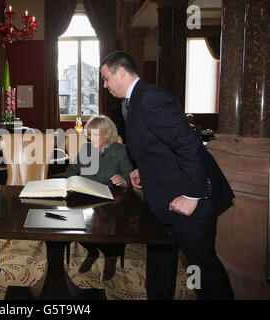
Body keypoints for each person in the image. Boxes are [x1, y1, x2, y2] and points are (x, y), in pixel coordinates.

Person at [100, 51, 234, 299]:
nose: (105, 85)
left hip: (191, 197)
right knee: (160, 259)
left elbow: (189, 145)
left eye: (106, 78)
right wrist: (144, 169)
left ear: (121, 72)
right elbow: (159, 144)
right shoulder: (133, 100)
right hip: (163, 199)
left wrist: (192, 195)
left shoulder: (150, 97)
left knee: (202, 269)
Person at [66, 115, 133, 281]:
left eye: (95, 135)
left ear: (107, 134)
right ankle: (93, 251)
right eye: (89, 135)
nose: (91, 138)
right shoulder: (87, 149)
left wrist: (123, 181)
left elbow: (130, 178)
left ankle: (110, 256)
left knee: (108, 223)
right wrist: (74, 180)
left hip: (111, 198)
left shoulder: (121, 151)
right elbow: (71, 169)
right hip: (88, 196)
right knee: (72, 222)